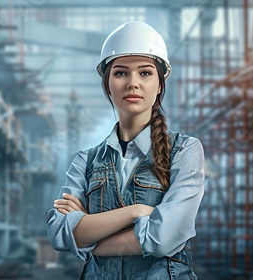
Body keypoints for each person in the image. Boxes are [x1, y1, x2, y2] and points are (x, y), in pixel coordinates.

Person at [45, 21, 205, 279]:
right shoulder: (85, 160)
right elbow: (60, 233)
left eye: (145, 73)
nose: (133, 83)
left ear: (160, 84)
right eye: (120, 73)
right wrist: (136, 212)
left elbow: (162, 238)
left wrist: (89, 238)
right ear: (107, 83)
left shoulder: (185, 151)